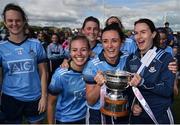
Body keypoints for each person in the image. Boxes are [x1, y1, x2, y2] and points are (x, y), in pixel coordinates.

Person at [0, 3, 47, 123]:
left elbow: (43, 73)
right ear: (5, 22)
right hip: (10, 98)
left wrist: (44, 96)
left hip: (34, 97)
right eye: (10, 20)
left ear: (24, 21)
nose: (14, 24)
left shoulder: (36, 44)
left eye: (18, 20)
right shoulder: (1, 48)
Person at [126, 18, 176, 124]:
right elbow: (128, 88)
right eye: (136, 33)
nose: (138, 37)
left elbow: (167, 90)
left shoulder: (165, 58)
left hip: (159, 116)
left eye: (143, 32)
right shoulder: (131, 59)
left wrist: (142, 82)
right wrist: (132, 105)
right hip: (137, 116)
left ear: (153, 34)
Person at [83, 23, 130, 124]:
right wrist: (99, 85)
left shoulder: (128, 58)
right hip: (98, 114)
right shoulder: (92, 65)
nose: (110, 46)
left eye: (114, 41)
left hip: (123, 110)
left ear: (121, 42)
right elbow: (90, 101)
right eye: (105, 41)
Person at [47, 35, 91, 124]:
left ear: (89, 52)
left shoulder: (93, 68)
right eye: (74, 50)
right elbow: (51, 103)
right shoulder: (61, 75)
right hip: (65, 119)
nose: (79, 53)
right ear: (69, 52)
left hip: (86, 118)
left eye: (83, 49)